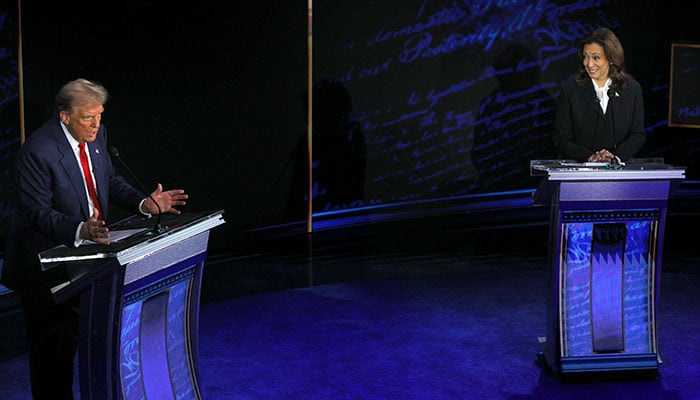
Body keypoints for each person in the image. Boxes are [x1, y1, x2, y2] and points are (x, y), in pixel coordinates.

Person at [0, 78, 188, 399]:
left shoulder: (97, 134)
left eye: (100, 115)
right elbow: (36, 213)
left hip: (91, 259)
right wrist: (79, 229)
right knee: (53, 359)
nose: (96, 124)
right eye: (88, 117)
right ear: (64, 116)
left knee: (93, 343)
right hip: (46, 268)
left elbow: (109, 179)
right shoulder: (37, 151)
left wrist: (145, 203)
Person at [552, 27, 646, 163]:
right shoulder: (570, 90)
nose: (589, 64)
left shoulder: (632, 90)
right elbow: (561, 139)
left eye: (596, 57)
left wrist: (615, 157)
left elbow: (638, 134)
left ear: (611, 58)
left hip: (618, 172)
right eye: (585, 57)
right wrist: (590, 157)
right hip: (580, 171)